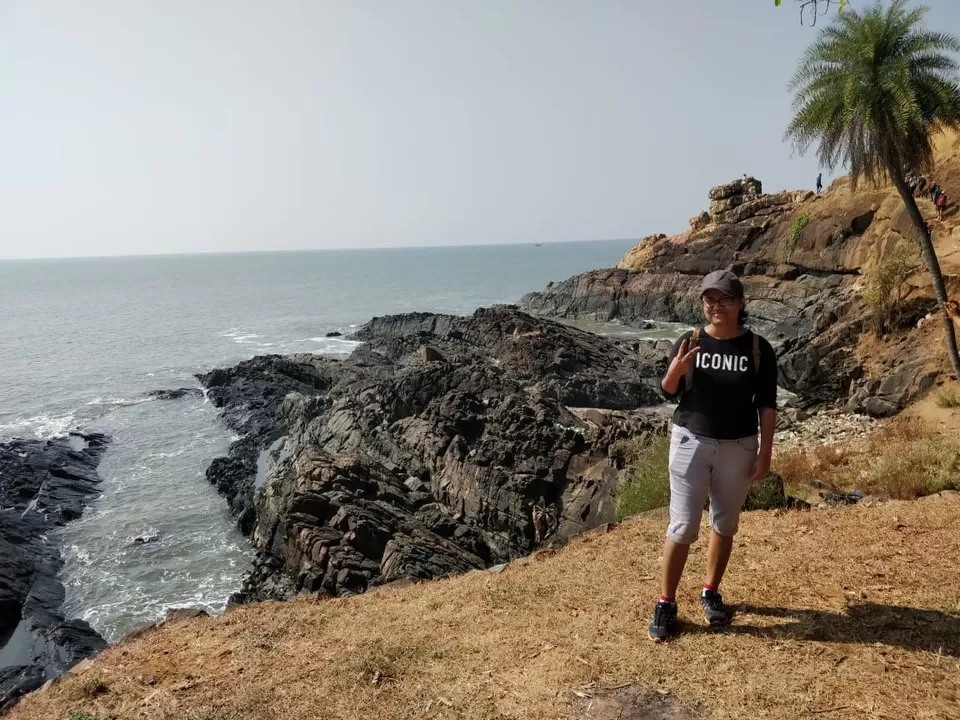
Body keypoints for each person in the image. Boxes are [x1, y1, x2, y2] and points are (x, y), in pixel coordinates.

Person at [648, 269, 778, 642]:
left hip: (739, 447)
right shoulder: (689, 341)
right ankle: (666, 602)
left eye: (725, 299)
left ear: (740, 303)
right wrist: (674, 370)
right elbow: (668, 391)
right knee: (683, 526)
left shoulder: (758, 349)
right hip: (690, 441)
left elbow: (767, 405)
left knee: (724, 523)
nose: (716, 306)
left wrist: (765, 452)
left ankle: (710, 591)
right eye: (710, 299)